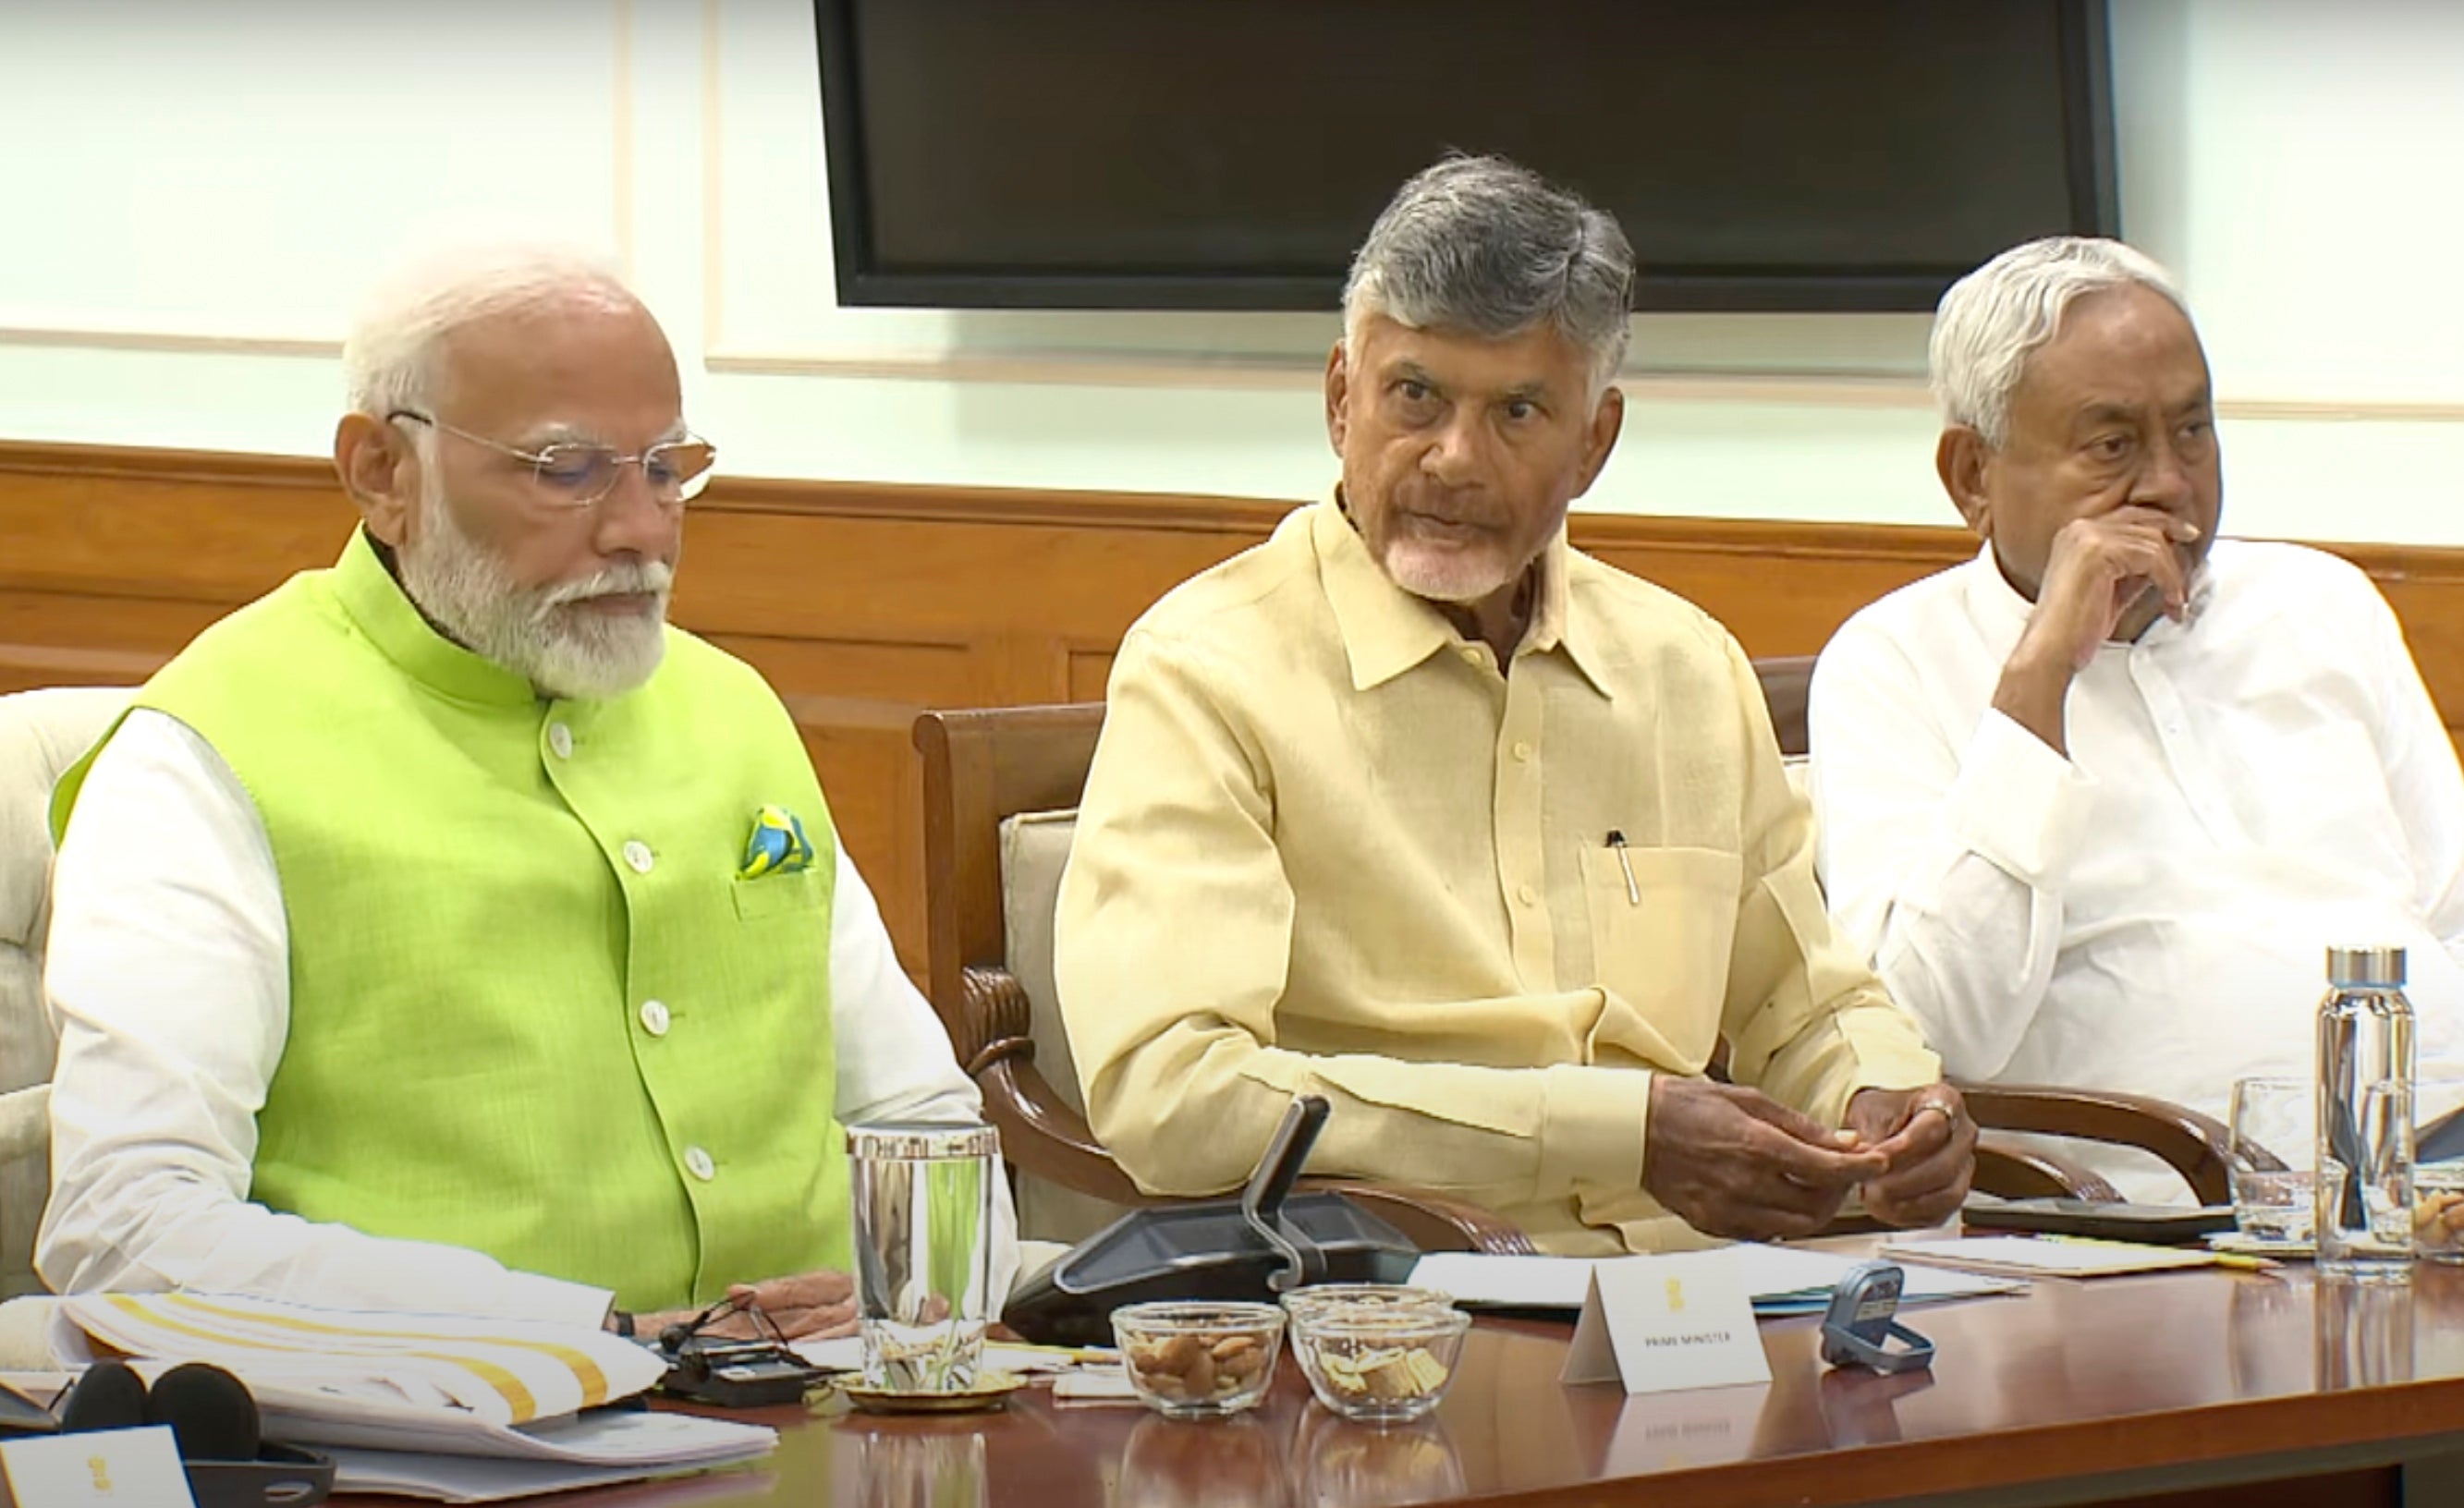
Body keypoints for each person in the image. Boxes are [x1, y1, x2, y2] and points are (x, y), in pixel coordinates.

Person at [38, 247, 1012, 1336]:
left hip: (844, 1414)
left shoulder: (730, 709)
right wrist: (583, 1331)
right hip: (462, 1439)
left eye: (664, 468)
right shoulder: (203, 755)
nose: (641, 531)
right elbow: (128, 1228)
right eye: (566, 469)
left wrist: (921, 1308)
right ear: (379, 472)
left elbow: (919, 1118)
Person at [1052, 156, 1974, 1255]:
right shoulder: (1207, 671)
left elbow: (1801, 1001)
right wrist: (1606, 1133)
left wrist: (1888, 1097)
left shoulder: (1683, 665)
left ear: (1594, 440)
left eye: (1518, 411)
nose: (1452, 458)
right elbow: (1175, 1098)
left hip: (1704, 1309)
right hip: (1388, 1313)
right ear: (1340, 396)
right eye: (1414, 397)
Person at [1808, 237, 2464, 1198]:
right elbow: (1926, 1026)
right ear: (1971, 478)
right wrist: (2037, 680)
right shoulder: (1891, 662)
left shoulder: (2320, 604)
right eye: (2110, 445)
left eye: (2191, 432)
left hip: (2434, 1179)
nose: (2167, 481)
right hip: (2161, 1203)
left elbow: (2451, 911)